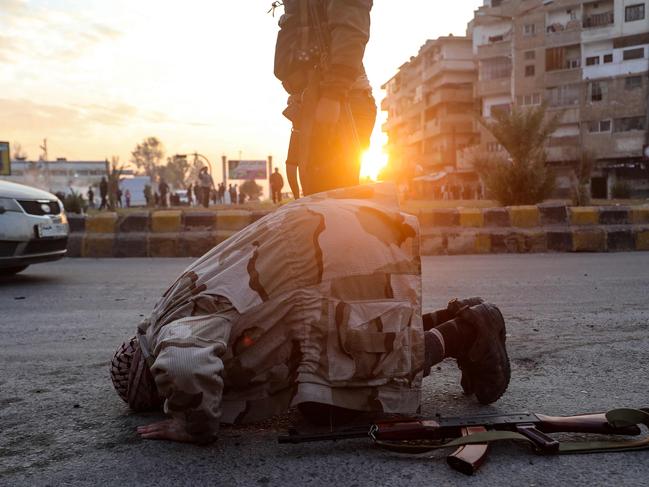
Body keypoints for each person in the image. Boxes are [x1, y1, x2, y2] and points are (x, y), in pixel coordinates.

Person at [110, 183, 510, 444]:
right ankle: (459, 318)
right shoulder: (165, 314)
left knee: (353, 387)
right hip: (319, 245)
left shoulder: (174, 335)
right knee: (347, 356)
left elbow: (185, 364)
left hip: (317, 255)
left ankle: (468, 332)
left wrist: (190, 422)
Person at [274, 0, 377, 196]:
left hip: (338, 102)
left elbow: (351, 27)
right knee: (322, 201)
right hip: (318, 100)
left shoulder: (334, 96)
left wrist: (333, 94)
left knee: (333, 204)